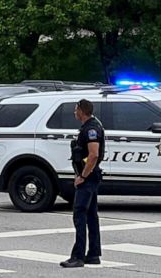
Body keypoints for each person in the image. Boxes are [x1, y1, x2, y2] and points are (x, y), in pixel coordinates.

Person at [61, 99, 105, 268]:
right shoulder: (89, 127)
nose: (74, 112)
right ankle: (93, 254)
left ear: (82, 110)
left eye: (75, 109)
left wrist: (83, 176)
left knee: (79, 215)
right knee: (91, 216)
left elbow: (93, 155)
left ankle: (78, 256)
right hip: (90, 176)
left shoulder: (91, 129)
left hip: (88, 178)